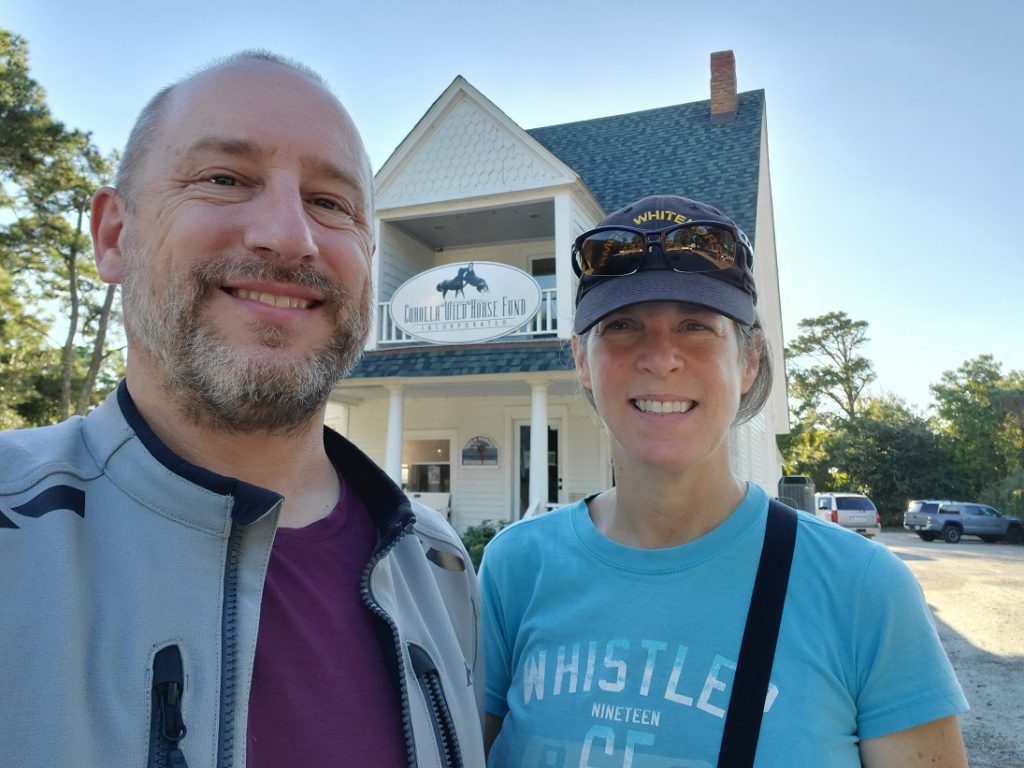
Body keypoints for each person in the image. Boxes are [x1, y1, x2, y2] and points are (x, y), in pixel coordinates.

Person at [0, 52, 483, 768]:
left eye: (331, 202)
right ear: (112, 236)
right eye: (224, 179)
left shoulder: (438, 568)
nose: (290, 236)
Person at [480, 194, 968, 767]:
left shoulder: (862, 590)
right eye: (622, 326)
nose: (661, 357)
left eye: (695, 325)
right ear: (583, 361)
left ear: (750, 359)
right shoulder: (515, 569)